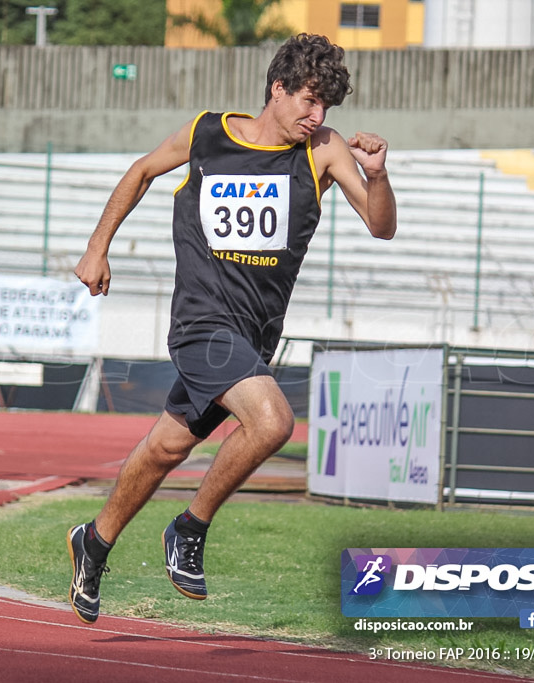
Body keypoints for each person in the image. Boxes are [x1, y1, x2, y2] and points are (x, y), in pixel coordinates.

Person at [67, 33, 397, 624]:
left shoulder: (324, 150)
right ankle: (189, 529)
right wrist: (98, 248)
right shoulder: (207, 134)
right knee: (272, 422)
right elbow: (142, 170)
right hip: (200, 324)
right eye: (309, 101)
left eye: (327, 107)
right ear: (278, 88)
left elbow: (380, 226)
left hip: (251, 338)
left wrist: (376, 175)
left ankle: (94, 540)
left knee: (165, 447)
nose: (317, 116)